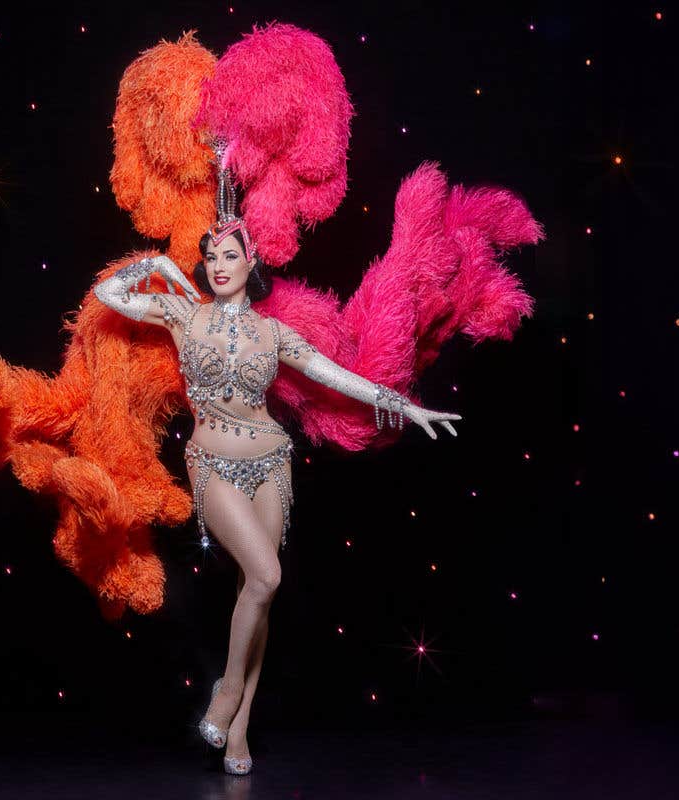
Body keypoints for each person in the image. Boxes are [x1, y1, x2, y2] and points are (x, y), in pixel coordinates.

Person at [92, 140, 461, 774]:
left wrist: (405, 405)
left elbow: (337, 375)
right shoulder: (182, 313)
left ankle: (238, 732)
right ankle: (226, 692)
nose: (219, 264)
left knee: (255, 594)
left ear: (250, 259)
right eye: (210, 257)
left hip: (271, 465)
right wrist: (157, 263)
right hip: (213, 462)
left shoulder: (273, 334)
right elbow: (108, 295)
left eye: (230, 254)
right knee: (266, 577)